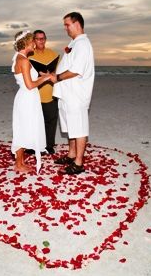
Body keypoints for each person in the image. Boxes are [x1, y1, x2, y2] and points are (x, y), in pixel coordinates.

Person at [51, 12, 94, 175]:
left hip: (76, 94)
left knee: (79, 128)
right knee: (70, 127)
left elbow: (76, 70)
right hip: (67, 94)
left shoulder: (83, 44)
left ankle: (78, 163)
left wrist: (57, 77)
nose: (65, 28)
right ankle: (71, 154)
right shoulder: (74, 43)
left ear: (77, 24)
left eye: (67, 25)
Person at [11, 30, 51, 173]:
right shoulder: (24, 60)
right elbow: (30, 85)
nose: (35, 43)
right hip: (27, 98)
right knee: (23, 129)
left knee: (22, 128)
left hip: (25, 97)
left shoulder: (18, 58)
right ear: (28, 42)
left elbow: (28, 81)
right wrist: (46, 78)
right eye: (33, 40)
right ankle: (18, 164)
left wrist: (41, 76)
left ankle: (19, 162)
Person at [28, 30, 60, 154]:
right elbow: (26, 75)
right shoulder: (29, 55)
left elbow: (59, 74)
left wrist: (51, 74)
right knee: (34, 121)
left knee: (50, 121)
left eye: (43, 38)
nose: (41, 41)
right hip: (35, 94)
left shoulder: (53, 54)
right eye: (38, 39)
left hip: (50, 93)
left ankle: (49, 145)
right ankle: (33, 145)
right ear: (34, 40)